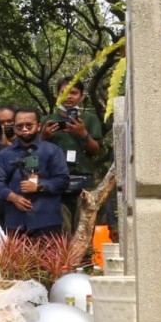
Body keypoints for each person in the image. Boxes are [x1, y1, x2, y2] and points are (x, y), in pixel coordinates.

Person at [0, 106, 70, 238]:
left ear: (38, 126)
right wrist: (13, 197)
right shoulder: (5, 154)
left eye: (29, 125)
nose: (24, 129)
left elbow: (63, 181)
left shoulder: (52, 151)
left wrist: (40, 186)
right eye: (19, 126)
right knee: (17, 259)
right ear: (14, 127)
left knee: (48, 259)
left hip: (46, 220)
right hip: (15, 222)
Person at [41, 76, 105, 232]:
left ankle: (83, 257)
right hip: (54, 181)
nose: (68, 97)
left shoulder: (90, 120)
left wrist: (83, 134)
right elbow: (34, 153)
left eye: (73, 93)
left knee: (83, 228)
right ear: (57, 95)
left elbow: (97, 151)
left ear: (81, 96)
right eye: (64, 92)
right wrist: (43, 137)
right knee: (60, 229)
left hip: (83, 181)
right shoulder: (47, 120)